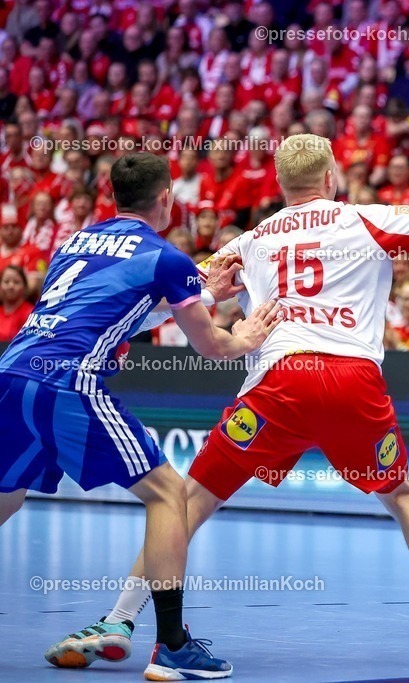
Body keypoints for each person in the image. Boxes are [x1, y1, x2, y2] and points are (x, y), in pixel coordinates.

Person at [47, 126, 409, 668]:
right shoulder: (363, 218)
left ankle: (121, 615)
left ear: (282, 183)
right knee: (401, 494)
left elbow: (186, 292)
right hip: (353, 380)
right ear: (330, 177)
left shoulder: (252, 238)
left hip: (278, 382)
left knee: (188, 501)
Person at [1, 152, 283, 679]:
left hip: (13, 370)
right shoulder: (167, 258)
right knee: (168, 494)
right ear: (166, 199)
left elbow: (104, 306)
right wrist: (241, 335)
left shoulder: (74, 243)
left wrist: (198, 293)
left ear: (113, 197)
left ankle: (139, 628)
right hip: (68, 379)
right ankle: (173, 644)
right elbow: (213, 347)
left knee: (6, 496)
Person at [0, 265, 33, 341]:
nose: (11, 286)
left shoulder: (30, 314)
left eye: (16, 282)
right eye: (6, 282)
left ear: (25, 287)